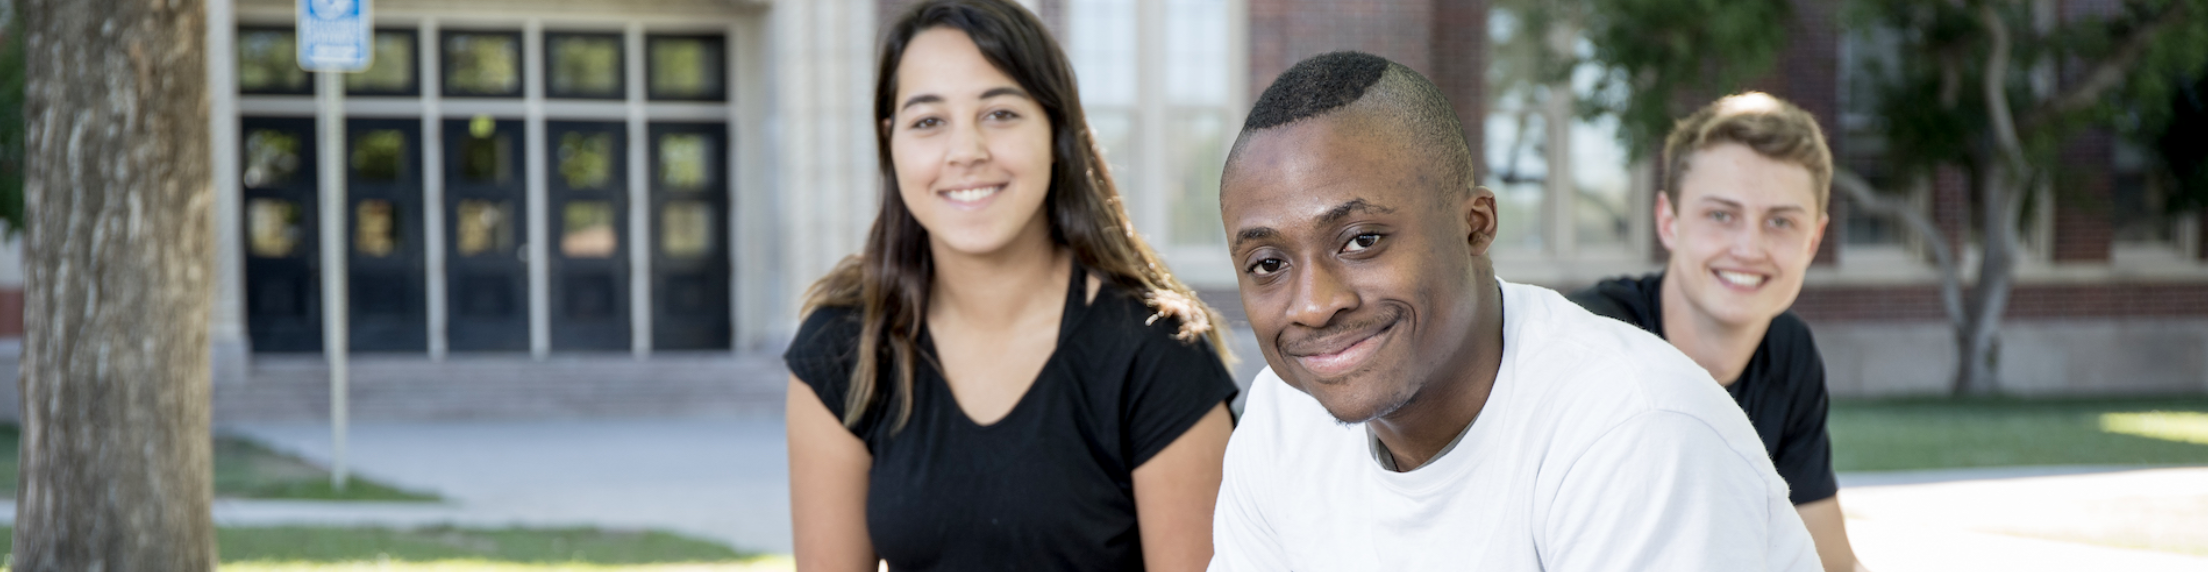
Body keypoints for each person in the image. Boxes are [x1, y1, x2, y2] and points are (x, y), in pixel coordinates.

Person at [1208, 51, 1820, 571]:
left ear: (1475, 227)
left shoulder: (1634, 430)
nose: (1314, 306)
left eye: (1362, 240)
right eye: (1268, 264)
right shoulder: (1281, 418)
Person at [782, 1, 1240, 570]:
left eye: (999, 113)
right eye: (928, 120)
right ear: (890, 140)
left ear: (1055, 128)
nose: (966, 151)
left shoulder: (1156, 353)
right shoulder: (844, 346)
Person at [1568, 92, 1866, 572]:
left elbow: (1830, 562)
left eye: (1781, 222)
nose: (1750, 248)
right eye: (1721, 215)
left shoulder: (1788, 353)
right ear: (1668, 221)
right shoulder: (1593, 342)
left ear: (1813, 241)